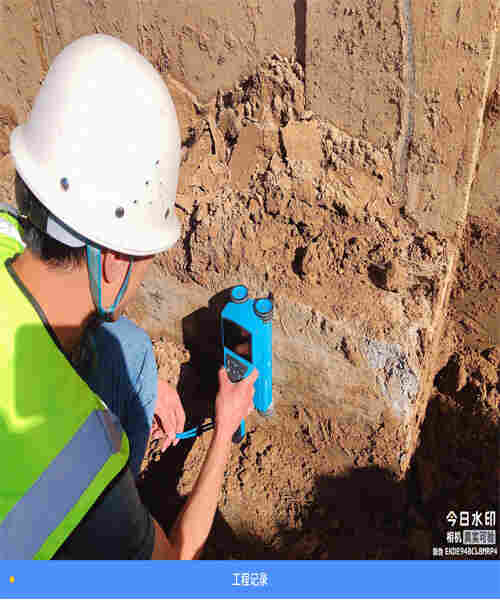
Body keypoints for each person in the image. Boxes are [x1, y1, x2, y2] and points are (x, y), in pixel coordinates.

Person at [0, 33, 258, 560]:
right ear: (114, 260)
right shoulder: (77, 463)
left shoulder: (7, 230)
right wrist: (225, 429)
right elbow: (175, 569)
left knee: (131, 350)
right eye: (146, 255)